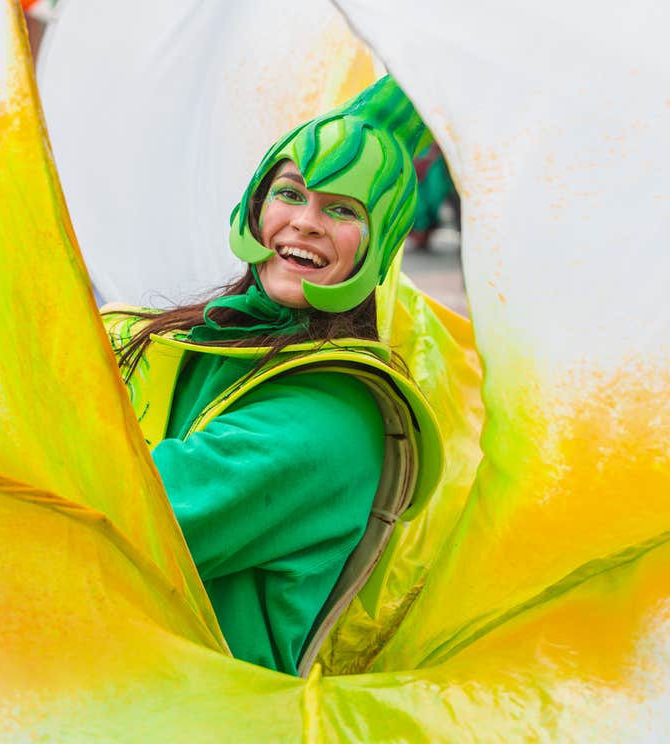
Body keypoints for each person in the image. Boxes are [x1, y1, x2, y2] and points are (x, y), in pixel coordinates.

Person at [103, 76, 443, 676]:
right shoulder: (190, 335)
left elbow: (126, 515)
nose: (306, 222)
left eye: (342, 210)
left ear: (380, 246)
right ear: (255, 207)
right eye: (291, 193)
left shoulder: (330, 416)